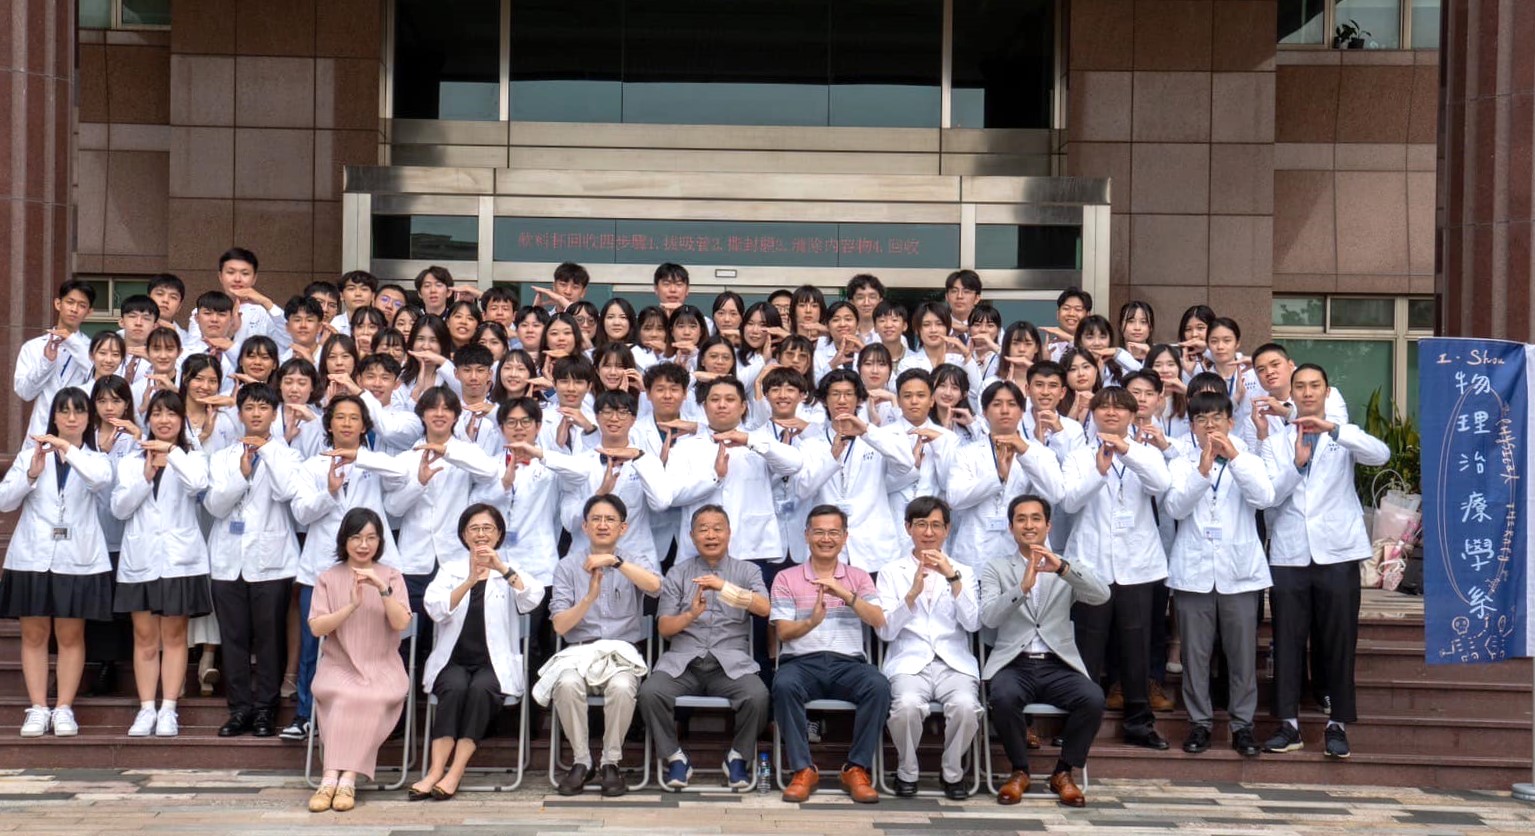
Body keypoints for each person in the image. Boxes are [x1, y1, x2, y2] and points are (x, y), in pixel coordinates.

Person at [1257, 364, 1389, 760]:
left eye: (1315, 386)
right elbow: (1268, 496)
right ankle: (1288, 724)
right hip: (1290, 553)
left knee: (1339, 639)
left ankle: (1338, 725)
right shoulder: (1275, 442)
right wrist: (1297, 466)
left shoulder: (1342, 436)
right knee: (1288, 639)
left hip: (1337, 551)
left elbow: (1380, 455)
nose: (1308, 392)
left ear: (1327, 391)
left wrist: (1333, 429)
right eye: (1300, 386)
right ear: (1292, 393)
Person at [1058, 387, 1173, 749]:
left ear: (1132, 414)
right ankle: (1080, 722)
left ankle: (1139, 723)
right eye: (1103, 407)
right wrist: (1098, 472)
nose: (1110, 413)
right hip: (1090, 565)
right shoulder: (1078, 456)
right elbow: (1069, 502)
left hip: (1137, 565)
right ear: (1092, 414)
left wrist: (1127, 452)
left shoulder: (1146, 452)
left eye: (1119, 408)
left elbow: (1161, 484)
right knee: (1087, 647)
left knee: (1137, 648)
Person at [1164, 391, 1275, 757]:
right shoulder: (1182, 462)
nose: (1209, 426)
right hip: (1193, 571)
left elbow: (1264, 498)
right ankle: (1199, 723)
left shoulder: (1249, 458)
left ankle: (1243, 726)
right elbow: (1176, 508)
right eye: (1201, 420)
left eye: (1216, 418)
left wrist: (1234, 459)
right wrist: (1202, 470)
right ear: (1192, 426)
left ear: (1230, 421)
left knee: (1242, 654)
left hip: (1239, 571)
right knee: (1195, 655)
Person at [979, 494, 1109, 807]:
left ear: (1048, 525)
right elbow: (989, 618)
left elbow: (1101, 595)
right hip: (1014, 663)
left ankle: (1063, 772)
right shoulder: (996, 568)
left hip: (1057, 663)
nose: (1029, 525)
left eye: (1036, 518)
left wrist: (1062, 568)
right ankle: (1019, 771)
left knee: (1093, 698)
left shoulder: (1065, 565)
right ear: (1011, 527)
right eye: (1021, 519)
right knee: (1003, 697)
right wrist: (1021, 588)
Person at [0, 387, 115, 737]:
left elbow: (99, 480)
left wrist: (68, 449)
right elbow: (5, 501)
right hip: (33, 556)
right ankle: (38, 708)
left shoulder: (96, 458)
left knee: (70, 634)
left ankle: (64, 708)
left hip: (78, 558)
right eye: (64, 411)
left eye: (79, 411)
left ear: (89, 418)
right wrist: (31, 475)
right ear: (53, 417)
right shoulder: (31, 454)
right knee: (34, 634)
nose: (71, 418)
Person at [412, 504, 545, 800]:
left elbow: (532, 599)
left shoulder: (509, 569)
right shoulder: (450, 570)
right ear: (464, 535)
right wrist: (470, 580)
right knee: (454, 688)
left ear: (499, 534)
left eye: (487, 528)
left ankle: (455, 772)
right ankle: (435, 771)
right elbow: (435, 608)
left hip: (493, 664)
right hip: (454, 660)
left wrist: (502, 569)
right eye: (474, 528)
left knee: (481, 690)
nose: (481, 534)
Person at [638, 505, 771, 791]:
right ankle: (675, 757)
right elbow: (664, 628)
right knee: (650, 693)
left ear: (729, 533)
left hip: (730, 666)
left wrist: (725, 587)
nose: (711, 535)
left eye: (717, 528)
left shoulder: (747, 570)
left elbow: (764, 608)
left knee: (758, 696)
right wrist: (690, 615)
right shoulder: (678, 573)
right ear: (692, 536)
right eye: (703, 529)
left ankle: (737, 757)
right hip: (683, 664)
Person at [542, 495, 662, 797]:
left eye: (610, 519)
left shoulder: (633, 559)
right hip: (579, 651)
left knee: (622, 687)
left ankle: (611, 762)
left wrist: (616, 562)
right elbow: (559, 626)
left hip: (621, 653)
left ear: (623, 527)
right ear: (584, 526)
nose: (603, 525)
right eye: (596, 519)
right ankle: (582, 761)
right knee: (566, 684)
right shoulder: (568, 566)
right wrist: (588, 599)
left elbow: (655, 587)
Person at [203, 383, 304, 738]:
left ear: (274, 414)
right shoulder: (223, 457)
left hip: (272, 562)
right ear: (240, 413)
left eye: (263, 408)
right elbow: (214, 506)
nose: (256, 413)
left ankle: (265, 710)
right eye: (249, 407)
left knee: (269, 639)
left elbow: (288, 491)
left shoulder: (288, 455)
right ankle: (240, 709)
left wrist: (268, 453)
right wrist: (241, 475)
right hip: (228, 560)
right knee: (233, 638)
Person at [109, 390, 213, 738]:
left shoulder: (192, 457)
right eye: (157, 414)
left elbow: (198, 485)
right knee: (144, 636)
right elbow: (119, 509)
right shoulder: (130, 461)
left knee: (174, 636)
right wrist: (145, 476)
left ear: (182, 420)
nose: (164, 420)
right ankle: (146, 709)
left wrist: (173, 454)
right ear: (148, 419)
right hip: (141, 558)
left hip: (180, 560)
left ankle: (168, 708)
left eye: (171, 414)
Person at [771, 505, 890, 804]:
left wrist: (845, 594)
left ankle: (856, 768)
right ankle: (803, 769)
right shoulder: (786, 577)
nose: (826, 539)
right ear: (806, 535)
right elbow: (783, 632)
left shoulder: (859, 577)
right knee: (783, 685)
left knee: (878, 686)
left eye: (834, 532)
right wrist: (811, 622)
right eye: (819, 532)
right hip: (801, 662)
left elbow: (878, 619)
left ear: (845, 537)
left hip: (848, 663)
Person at [304, 508, 412, 813]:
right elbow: (317, 628)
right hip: (338, 666)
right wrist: (351, 606)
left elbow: (401, 623)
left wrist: (382, 590)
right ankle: (330, 779)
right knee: (344, 695)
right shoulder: (328, 578)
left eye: (371, 538)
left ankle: (346, 779)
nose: (364, 545)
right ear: (344, 540)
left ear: (380, 541)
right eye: (356, 537)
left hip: (383, 667)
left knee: (370, 697)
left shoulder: (391, 576)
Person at [875, 497, 981, 799]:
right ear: (908, 527)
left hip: (953, 663)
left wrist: (952, 578)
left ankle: (952, 772)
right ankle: (907, 771)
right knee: (906, 707)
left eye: (936, 525)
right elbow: (885, 630)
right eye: (921, 524)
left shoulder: (963, 571)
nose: (929, 532)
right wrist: (911, 594)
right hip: (909, 662)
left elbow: (973, 623)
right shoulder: (891, 572)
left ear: (947, 529)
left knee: (966, 707)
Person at [945, 380, 1063, 568]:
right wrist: (997, 477)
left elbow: (1056, 494)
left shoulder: (1040, 452)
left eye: (1012, 404)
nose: (1005, 410)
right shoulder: (967, 453)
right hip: (977, 549)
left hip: (1025, 551)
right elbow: (954, 499)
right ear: (984, 412)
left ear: (1022, 411)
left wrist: (1025, 453)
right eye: (997, 404)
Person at [14, 280, 95, 438]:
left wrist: (73, 343)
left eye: (82, 305)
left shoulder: (92, 349)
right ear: (58, 304)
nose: (74, 309)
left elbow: (98, 378)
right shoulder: (33, 347)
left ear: (89, 312)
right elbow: (25, 392)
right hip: (41, 430)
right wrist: (46, 362)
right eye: (70, 302)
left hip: (78, 433)